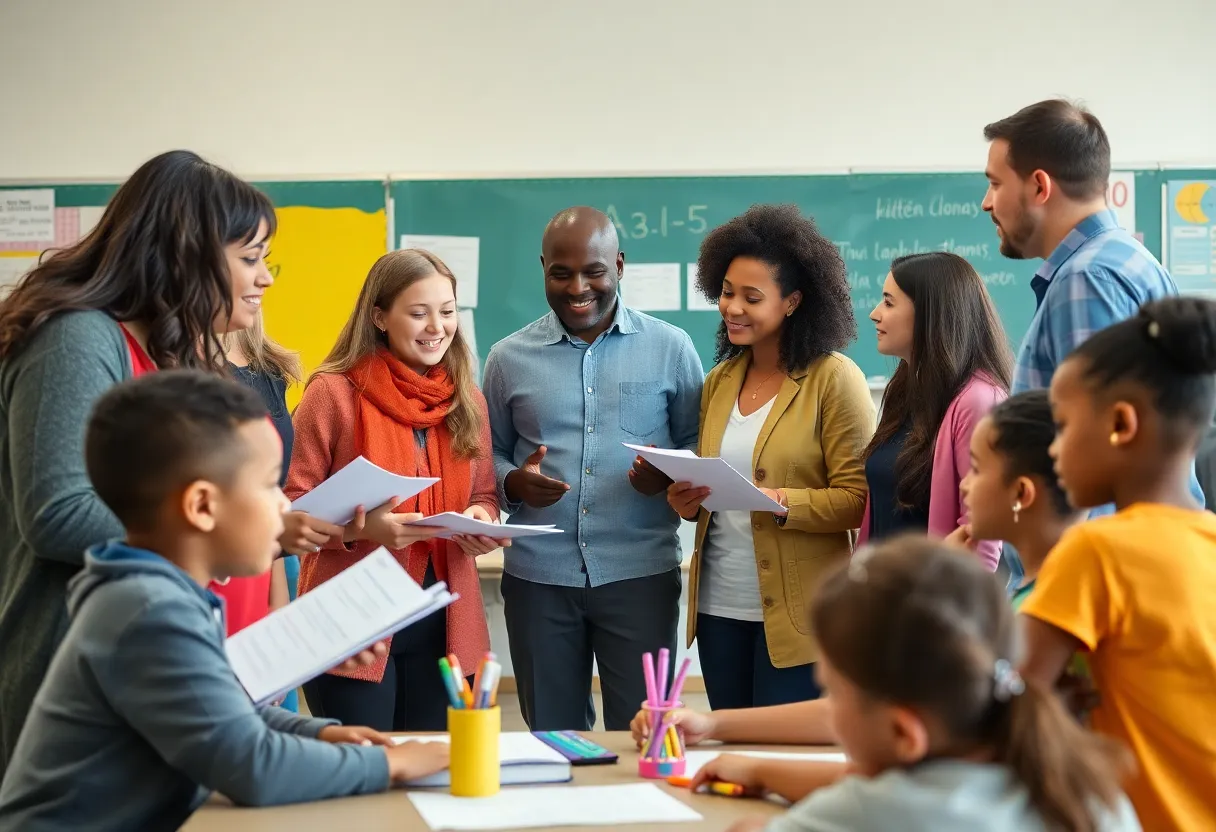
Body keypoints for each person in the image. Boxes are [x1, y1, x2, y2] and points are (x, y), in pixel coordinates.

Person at [0, 372, 450, 831]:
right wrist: (391, 765)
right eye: (268, 486)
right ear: (201, 507)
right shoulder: (149, 610)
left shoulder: (160, 594)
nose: (284, 506)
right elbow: (254, 767)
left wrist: (322, 733)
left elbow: (228, 711)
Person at [0, 150, 278, 776]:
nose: (264, 279)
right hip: (81, 662)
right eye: (250, 258)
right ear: (186, 253)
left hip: (165, 655)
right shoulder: (76, 337)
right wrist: (217, 530)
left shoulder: (170, 349)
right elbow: (59, 513)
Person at [716, 539, 1141, 832]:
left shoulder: (870, 809)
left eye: (834, 692)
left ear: (903, 733)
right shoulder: (1088, 792)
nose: (828, 704)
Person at [481, 206, 703, 731]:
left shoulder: (671, 348)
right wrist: (513, 481)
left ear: (619, 266)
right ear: (543, 268)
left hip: (640, 576)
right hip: (539, 580)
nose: (578, 287)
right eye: (561, 273)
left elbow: (699, 442)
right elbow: (484, 455)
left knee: (645, 730)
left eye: (594, 272)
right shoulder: (507, 358)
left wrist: (669, 474)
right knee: (553, 734)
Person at [981, 98, 1199, 581]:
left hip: (1094, 583)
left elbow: (1104, 456)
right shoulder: (1126, 261)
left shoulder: (1087, 279)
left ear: (1040, 186)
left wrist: (1071, 597)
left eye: (995, 183)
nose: (986, 202)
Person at [288, 248, 505, 732]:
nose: (437, 327)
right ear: (379, 317)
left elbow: (485, 495)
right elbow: (287, 506)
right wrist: (363, 529)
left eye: (447, 312)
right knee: (363, 764)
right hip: (352, 620)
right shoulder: (333, 392)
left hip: (446, 620)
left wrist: (481, 520)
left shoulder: (467, 399)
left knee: (433, 766)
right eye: (419, 313)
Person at [667, 204, 872, 709]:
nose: (732, 307)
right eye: (726, 292)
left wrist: (780, 500)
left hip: (801, 615)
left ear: (793, 302)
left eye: (752, 298)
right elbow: (714, 490)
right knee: (730, 745)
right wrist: (687, 501)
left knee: (782, 747)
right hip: (718, 609)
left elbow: (857, 500)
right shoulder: (719, 381)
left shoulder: (834, 379)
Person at [1021, 297, 1216, 831]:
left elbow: (1003, 704)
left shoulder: (1095, 551)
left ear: (1121, 424)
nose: (1053, 450)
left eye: (1062, 426)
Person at [859, 252, 1011, 569]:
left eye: (888, 302)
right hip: (882, 591)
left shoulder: (978, 401)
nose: (875, 314)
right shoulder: (905, 388)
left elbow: (981, 538)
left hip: (930, 595)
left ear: (930, 314)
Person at [220, 316, 339, 712]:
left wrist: (278, 599)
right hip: (223, 560)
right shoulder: (179, 370)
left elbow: (271, 489)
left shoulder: (267, 368)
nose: (264, 284)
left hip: (273, 555)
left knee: (276, 702)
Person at [953, 389, 1084, 607]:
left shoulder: (1040, 612)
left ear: (1021, 493)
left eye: (975, 469)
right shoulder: (1056, 588)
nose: (963, 485)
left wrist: (947, 576)